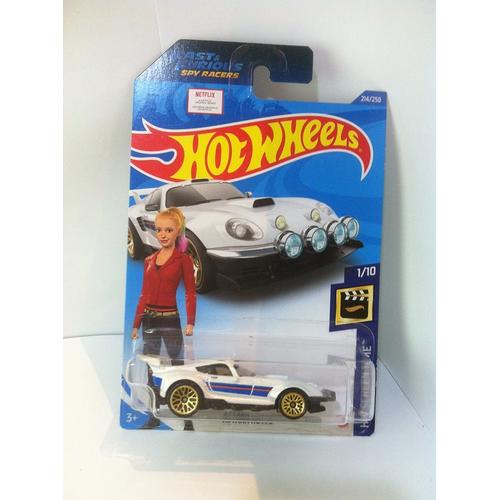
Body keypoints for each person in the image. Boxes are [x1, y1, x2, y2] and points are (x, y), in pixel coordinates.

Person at [131, 207, 196, 428]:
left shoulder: (183, 260)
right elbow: (144, 294)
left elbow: (190, 293)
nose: (163, 234)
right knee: (151, 368)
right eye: (159, 229)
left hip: (170, 319)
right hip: (149, 320)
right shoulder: (149, 260)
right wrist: (136, 323)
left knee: (178, 366)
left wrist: (190, 321)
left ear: (178, 231)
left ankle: (186, 415)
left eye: (168, 230)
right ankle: (154, 414)